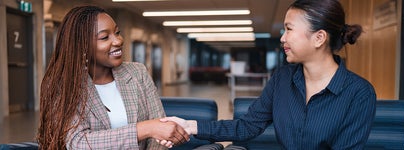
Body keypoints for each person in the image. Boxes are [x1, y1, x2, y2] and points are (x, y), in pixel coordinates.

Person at [161, 0, 377, 149]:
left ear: (319, 38)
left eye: (289, 29)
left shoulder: (359, 93)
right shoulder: (283, 78)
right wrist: (190, 126)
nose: (282, 38)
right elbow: (247, 126)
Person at [36, 5, 189, 149]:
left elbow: (160, 134)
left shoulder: (138, 73)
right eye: (104, 37)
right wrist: (144, 129)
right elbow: (79, 142)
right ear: (82, 46)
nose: (118, 41)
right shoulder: (63, 84)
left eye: (117, 32)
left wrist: (154, 131)